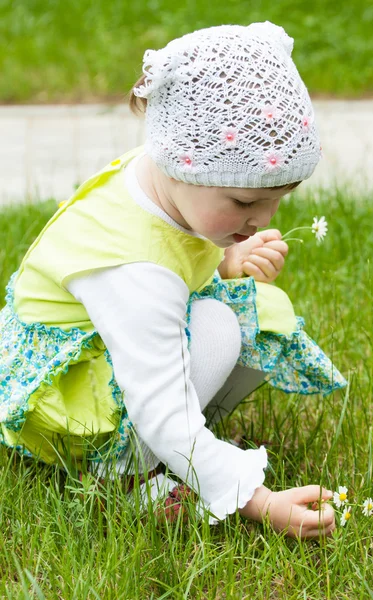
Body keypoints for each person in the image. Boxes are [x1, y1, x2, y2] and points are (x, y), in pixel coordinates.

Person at [0, 22, 346, 538]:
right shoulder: (135, 269)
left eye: (277, 200)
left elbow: (181, 257)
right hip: (64, 409)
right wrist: (257, 501)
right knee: (218, 328)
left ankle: (165, 457)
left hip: (102, 348)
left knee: (260, 306)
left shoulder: (160, 177)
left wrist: (225, 261)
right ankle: (121, 478)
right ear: (182, 167)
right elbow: (161, 406)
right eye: (246, 203)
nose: (263, 219)